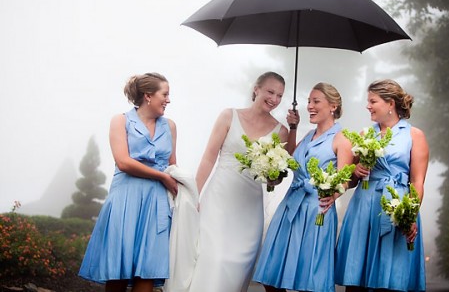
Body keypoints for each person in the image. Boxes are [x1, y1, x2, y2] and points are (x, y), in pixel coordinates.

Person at [188, 72, 289, 292]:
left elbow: (274, 182)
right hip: (219, 200)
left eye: (280, 95)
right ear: (256, 89)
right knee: (212, 259)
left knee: (237, 265)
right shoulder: (228, 116)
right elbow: (208, 158)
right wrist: (194, 194)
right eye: (270, 91)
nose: (274, 99)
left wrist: (273, 176)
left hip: (250, 207)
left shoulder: (281, 132)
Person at [79, 73, 178, 292]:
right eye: (165, 94)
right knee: (118, 270)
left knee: (148, 270)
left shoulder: (169, 126)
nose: (168, 100)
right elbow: (123, 162)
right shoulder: (121, 120)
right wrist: (162, 176)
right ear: (148, 96)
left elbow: (173, 168)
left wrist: (187, 193)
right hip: (126, 200)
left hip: (156, 204)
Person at [253, 82, 353, 292]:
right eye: (309, 101)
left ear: (333, 106)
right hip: (290, 206)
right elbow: (290, 159)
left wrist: (331, 195)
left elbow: (345, 179)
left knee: (311, 277)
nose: (310, 106)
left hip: (316, 211)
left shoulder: (342, 139)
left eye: (316, 101)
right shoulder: (308, 135)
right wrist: (293, 128)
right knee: (271, 271)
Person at [335, 79, 429, 292]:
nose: (368, 106)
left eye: (372, 101)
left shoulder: (414, 135)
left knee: (393, 276)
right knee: (357, 278)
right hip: (364, 208)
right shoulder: (364, 135)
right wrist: (355, 172)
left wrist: (410, 214)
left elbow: (417, 181)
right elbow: (349, 181)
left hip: (396, 206)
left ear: (390, 104)